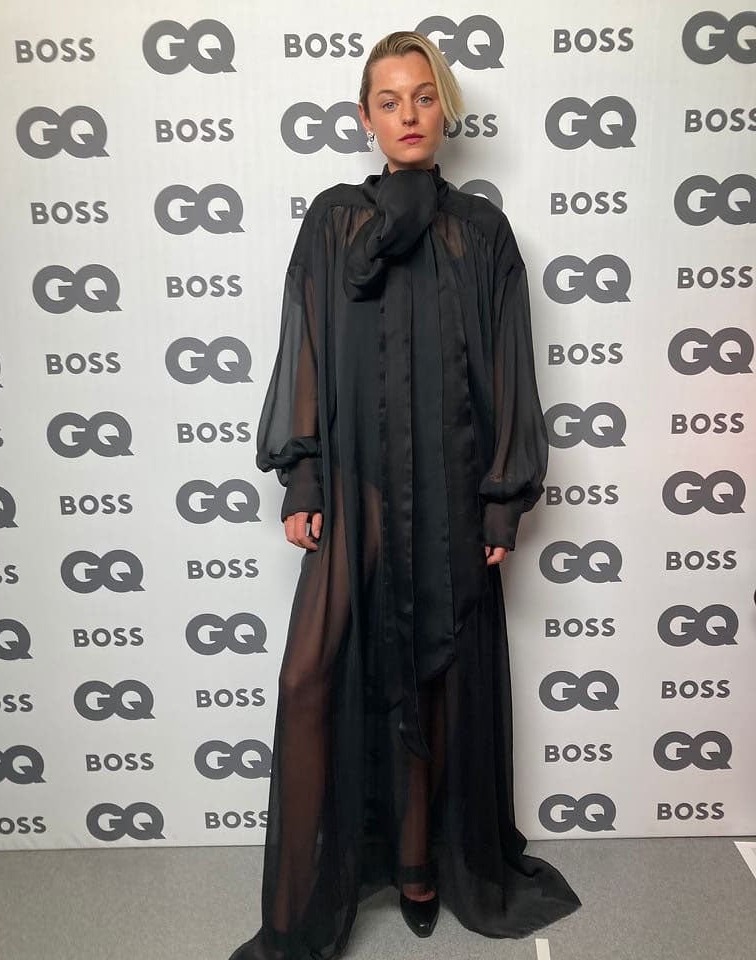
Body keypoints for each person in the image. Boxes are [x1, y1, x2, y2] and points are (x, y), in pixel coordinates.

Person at [227, 30, 582, 960]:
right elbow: (304, 343)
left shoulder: (483, 233)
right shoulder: (333, 222)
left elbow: (508, 369)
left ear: (445, 108)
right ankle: (300, 902)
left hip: (454, 493)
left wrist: (501, 500)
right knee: (311, 676)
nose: (409, 115)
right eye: (389, 101)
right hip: (357, 493)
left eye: (423, 96)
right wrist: (303, 474)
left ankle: (422, 868)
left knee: (435, 678)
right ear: (365, 118)